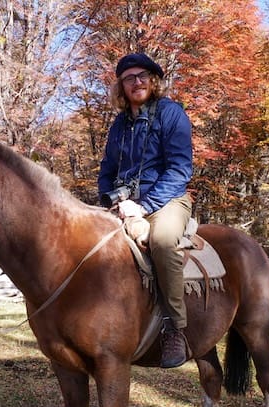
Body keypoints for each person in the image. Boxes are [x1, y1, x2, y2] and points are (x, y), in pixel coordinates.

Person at [98, 52, 194, 369]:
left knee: (164, 242)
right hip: (125, 206)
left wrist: (143, 207)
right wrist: (110, 201)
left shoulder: (171, 114)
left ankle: (174, 328)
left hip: (167, 201)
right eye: (129, 78)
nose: (136, 82)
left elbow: (180, 170)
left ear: (153, 81)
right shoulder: (118, 126)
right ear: (121, 87)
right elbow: (107, 170)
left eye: (142, 76)